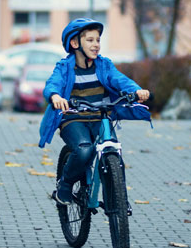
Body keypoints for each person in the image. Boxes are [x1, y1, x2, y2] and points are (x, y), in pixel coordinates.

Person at [39, 18, 151, 205]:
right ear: (75, 43)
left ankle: (118, 199)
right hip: (73, 118)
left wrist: (136, 90)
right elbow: (53, 84)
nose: (96, 44)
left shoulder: (104, 65)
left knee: (114, 152)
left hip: (101, 117)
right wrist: (56, 97)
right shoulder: (65, 68)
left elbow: (119, 79)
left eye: (98, 40)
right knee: (84, 151)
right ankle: (65, 186)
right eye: (90, 40)